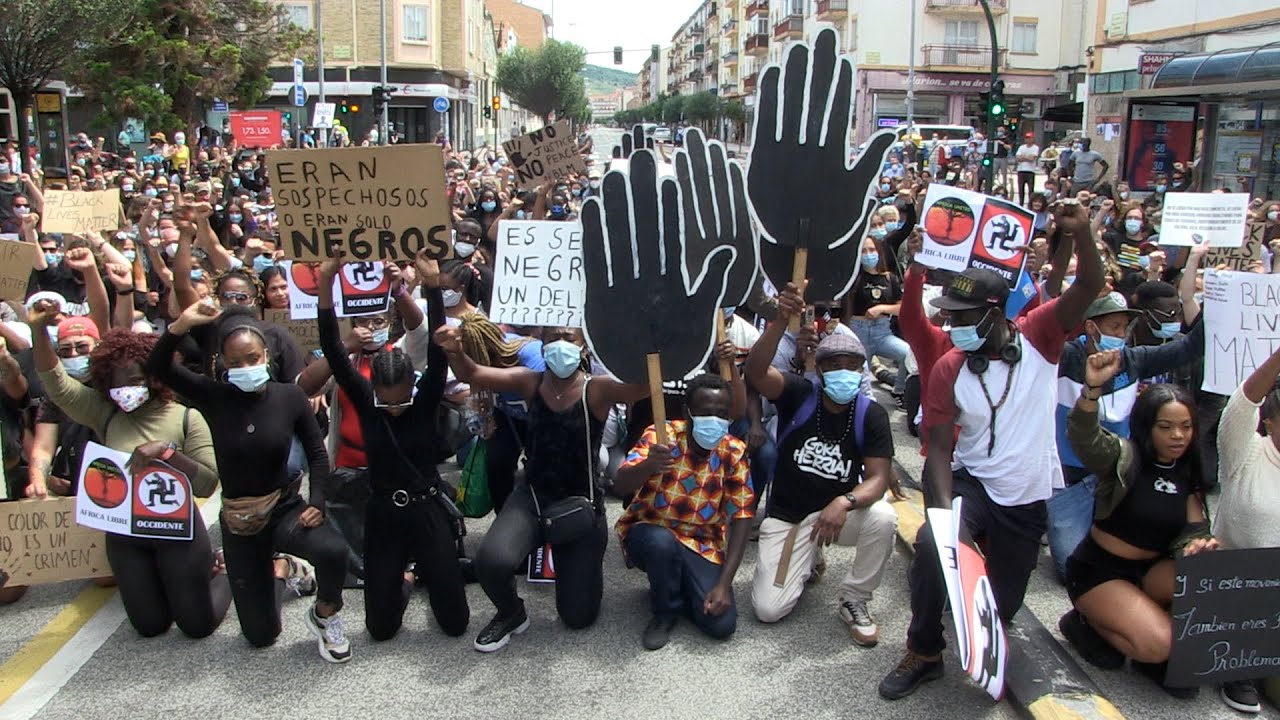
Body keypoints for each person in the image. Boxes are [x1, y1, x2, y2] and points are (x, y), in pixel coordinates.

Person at [880, 202, 1104, 700]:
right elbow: (939, 451)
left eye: (963, 317)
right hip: (973, 482)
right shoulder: (948, 368)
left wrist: (1082, 233)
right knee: (929, 555)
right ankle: (924, 650)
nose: (953, 325)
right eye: (949, 317)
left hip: (1025, 497)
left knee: (1001, 604)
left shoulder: (1042, 337)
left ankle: (985, 638)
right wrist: (941, 525)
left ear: (996, 314)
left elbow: (1088, 288)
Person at [148, 302, 351, 661]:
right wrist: (181, 324)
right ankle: (283, 571)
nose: (246, 367)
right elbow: (158, 367)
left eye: (252, 358)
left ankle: (326, 614)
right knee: (260, 636)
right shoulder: (214, 396)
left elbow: (318, 456)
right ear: (222, 364)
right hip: (240, 521)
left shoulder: (289, 397)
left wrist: (317, 502)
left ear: (266, 355)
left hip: (284, 508)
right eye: (236, 362)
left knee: (333, 550)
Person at [436, 323, 648, 652]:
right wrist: (454, 349)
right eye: (552, 338)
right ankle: (511, 613)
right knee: (491, 561)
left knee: (578, 617)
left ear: (583, 348)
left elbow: (643, 386)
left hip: (580, 504)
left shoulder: (599, 389)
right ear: (542, 343)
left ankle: (582, 573)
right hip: (532, 497)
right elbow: (473, 373)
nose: (560, 344)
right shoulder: (528, 381)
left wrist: (652, 344)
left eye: (569, 338)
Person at [28, 301, 230, 639]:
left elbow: (208, 483)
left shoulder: (185, 417)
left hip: (176, 532)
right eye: (114, 384)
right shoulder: (105, 413)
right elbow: (57, 384)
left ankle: (225, 571)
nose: (124, 391)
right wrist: (37, 329)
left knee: (197, 626)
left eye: (134, 380)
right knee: (150, 627)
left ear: (153, 378)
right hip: (125, 535)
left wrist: (167, 453)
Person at [318, 250, 470, 642]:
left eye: (401, 398)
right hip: (384, 512)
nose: (395, 407)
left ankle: (434, 576)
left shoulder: (423, 399)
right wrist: (325, 286)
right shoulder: (368, 402)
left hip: (427, 508)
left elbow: (437, 353)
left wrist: (433, 285)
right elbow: (335, 353)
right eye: (387, 401)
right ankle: (401, 584)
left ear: (412, 388)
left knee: (455, 623)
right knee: (380, 629)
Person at [1058, 350, 1216, 699]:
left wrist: (1200, 546)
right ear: (1147, 426)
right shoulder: (1122, 456)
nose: (1178, 435)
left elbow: (1193, 532)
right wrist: (1091, 391)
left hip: (1150, 573)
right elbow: (1084, 437)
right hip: (1100, 572)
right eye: (1167, 426)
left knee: (1207, 574)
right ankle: (1087, 623)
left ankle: (1147, 631)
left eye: (1186, 426)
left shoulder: (1188, 473)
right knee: (1159, 645)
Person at [744, 290, 898, 646]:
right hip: (789, 516)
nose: (843, 372)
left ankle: (854, 598)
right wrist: (781, 320)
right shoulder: (798, 393)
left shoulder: (870, 414)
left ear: (862, 370)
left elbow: (876, 478)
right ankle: (808, 559)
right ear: (820, 368)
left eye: (852, 365)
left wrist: (845, 501)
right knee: (769, 609)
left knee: (884, 518)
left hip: (834, 515)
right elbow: (755, 373)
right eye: (834, 365)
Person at [1048, 292, 1204, 581]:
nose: (1121, 334)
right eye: (1114, 327)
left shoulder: (1134, 360)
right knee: (1068, 567)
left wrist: (1222, 305)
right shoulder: (1064, 357)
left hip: (1118, 474)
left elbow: (1189, 348)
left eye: (1124, 327)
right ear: (1092, 328)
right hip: (1069, 477)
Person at [613, 374, 755, 650]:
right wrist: (648, 465)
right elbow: (620, 484)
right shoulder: (661, 436)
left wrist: (725, 583)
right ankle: (664, 613)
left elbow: (742, 515)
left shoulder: (733, 450)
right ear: (687, 413)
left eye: (721, 414)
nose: (714, 421)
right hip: (651, 533)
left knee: (722, 626)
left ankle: (678, 587)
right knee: (660, 544)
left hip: (701, 543)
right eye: (704, 413)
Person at [1210, 343, 1280, 713]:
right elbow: (1241, 405)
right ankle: (1237, 669)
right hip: (1232, 594)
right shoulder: (1247, 451)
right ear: (1269, 421)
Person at [844, 235, 910, 404]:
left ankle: (899, 390)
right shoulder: (853, 278)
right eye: (864, 251)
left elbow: (903, 307)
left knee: (909, 354)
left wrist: (882, 308)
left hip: (882, 332)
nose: (868, 254)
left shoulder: (890, 278)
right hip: (858, 331)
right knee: (857, 374)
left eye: (872, 250)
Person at [1015, 133, 1041, 207]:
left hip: (1030, 171)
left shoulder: (1035, 148)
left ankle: (1030, 204)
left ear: (1033, 139)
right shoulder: (1021, 147)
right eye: (1027, 138)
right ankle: (1021, 204)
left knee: (1030, 190)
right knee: (1020, 189)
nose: (1028, 140)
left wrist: (1023, 157)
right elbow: (1017, 158)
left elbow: (1032, 158)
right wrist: (1027, 157)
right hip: (1021, 170)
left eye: (1030, 138)